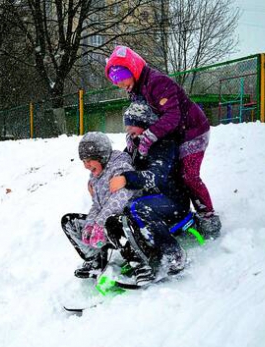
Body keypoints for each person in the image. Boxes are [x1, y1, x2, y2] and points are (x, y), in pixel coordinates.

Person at [105, 45, 221, 239]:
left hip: (192, 130)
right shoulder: (136, 88)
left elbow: (173, 115)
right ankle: (172, 212)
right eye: (115, 81)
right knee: (171, 171)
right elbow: (138, 115)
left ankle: (207, 215)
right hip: (173, 134)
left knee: (188, 174)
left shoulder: (156, 82)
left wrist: (149, 136)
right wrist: (133, 135)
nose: (120, 84)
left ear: (132, 69)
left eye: (121, 78)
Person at [105, 101, 192, 286]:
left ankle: (172, 255)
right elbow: (125, 163)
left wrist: (126, 179)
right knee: (120, 212)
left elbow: (157, 176)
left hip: (173, 200)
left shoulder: (164, 143)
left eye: (131, 123)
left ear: (144, 123)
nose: (128, 129)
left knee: (138, 207)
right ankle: (139, 255)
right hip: (153, 198)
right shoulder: (136, 144)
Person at [61, 132, 136, 279]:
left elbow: (118, 200)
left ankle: (136, 261)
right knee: (69, 222)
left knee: (112, 221)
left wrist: (100, 225)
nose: (86, 166)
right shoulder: (97, 175)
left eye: (89, 161)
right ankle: (95, 259)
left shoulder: (120, 167)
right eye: (83, 161)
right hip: (105, 227)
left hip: (127, 226)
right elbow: (98, 205)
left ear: (101, 156)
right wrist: (90, 225)